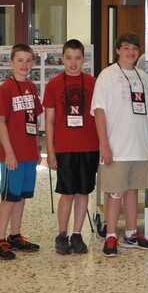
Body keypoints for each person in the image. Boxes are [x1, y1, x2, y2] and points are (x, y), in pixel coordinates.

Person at [91, 32, 148, 257]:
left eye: (134, 49)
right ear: (118, 50)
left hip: (139, 146)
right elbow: (99, 111)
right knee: (114, 193)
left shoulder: (142, 76)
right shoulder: (107, 75)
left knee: (133, 191)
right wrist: (104, 144)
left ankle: (131, 234)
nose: (131, 52)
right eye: (126, 48)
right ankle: (111, 237)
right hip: (117, 147)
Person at [44, 39, 99, 256]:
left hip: (89, 146)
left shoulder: (94, 83)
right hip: (64, 147)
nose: (73, 63)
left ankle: (77, 234)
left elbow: (101, 116)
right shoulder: (54, 84)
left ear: (84, 59)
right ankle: (62, 234)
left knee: (83, 191)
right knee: (67, 193)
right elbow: (49, 120)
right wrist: (50, 150)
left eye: (78, 58)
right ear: (62, 59)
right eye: (69, 58)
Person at [0, 43, 44, 260]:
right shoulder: (5, 89)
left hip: (29, 152)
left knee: (22, 196)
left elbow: (33, 120)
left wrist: (37, 148)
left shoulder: (32, 87)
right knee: (10, 197)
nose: (24, 64)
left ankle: (15, 236)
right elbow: (1, 123)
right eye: (20, 60)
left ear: (33, 63)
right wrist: (9, 153)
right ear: (11, 62)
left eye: (28, 60)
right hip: (12, 154)